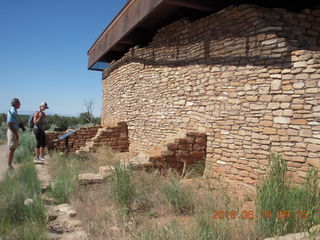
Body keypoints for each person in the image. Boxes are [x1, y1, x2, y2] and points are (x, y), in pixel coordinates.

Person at [7, 98, 21, 170]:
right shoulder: (12, 111)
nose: (20, 104)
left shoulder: (14, 111)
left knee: (13, 148)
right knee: (12, 149)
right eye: (19, 103)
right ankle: (9, 166)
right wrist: (16, 133)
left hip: (13, 131)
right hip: (12, 131)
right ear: (15, 103)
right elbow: (9, 124)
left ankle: (10, 165)